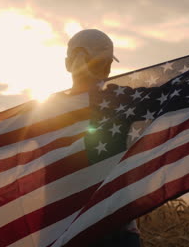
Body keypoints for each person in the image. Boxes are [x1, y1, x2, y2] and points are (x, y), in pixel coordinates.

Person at [65, 29, 142, 247]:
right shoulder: (122, 99)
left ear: (67, 63)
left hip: (61, 232)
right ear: (107, 66)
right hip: (117, 230)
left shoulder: (45, 110)